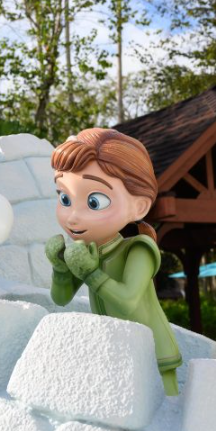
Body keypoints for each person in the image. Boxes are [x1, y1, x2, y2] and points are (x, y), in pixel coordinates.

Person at [45, 128, 182, 395]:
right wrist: (61, 268)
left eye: (94, 202)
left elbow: (128, 300)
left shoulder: (139, 249)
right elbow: (60, 298)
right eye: (65, 198)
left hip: (154, 355)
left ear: (139, 207)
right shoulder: (86, 253)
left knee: (166, 412)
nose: (73, 217)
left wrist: (90, 273)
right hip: (116, 352)